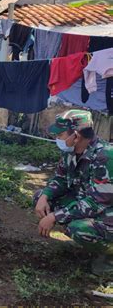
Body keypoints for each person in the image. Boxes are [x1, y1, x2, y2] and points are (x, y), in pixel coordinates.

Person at [33, 109, 113, 276]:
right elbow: (61, 179)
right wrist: (45, 195)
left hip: (105, 209)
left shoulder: (105, 157)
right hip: (88, 202)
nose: (57, 139)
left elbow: (96, 202)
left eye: (60, 135)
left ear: (76, 136)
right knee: (40, 198)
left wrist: (55, 216)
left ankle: (108, 258)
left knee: (78, 228)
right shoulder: (71, 151)